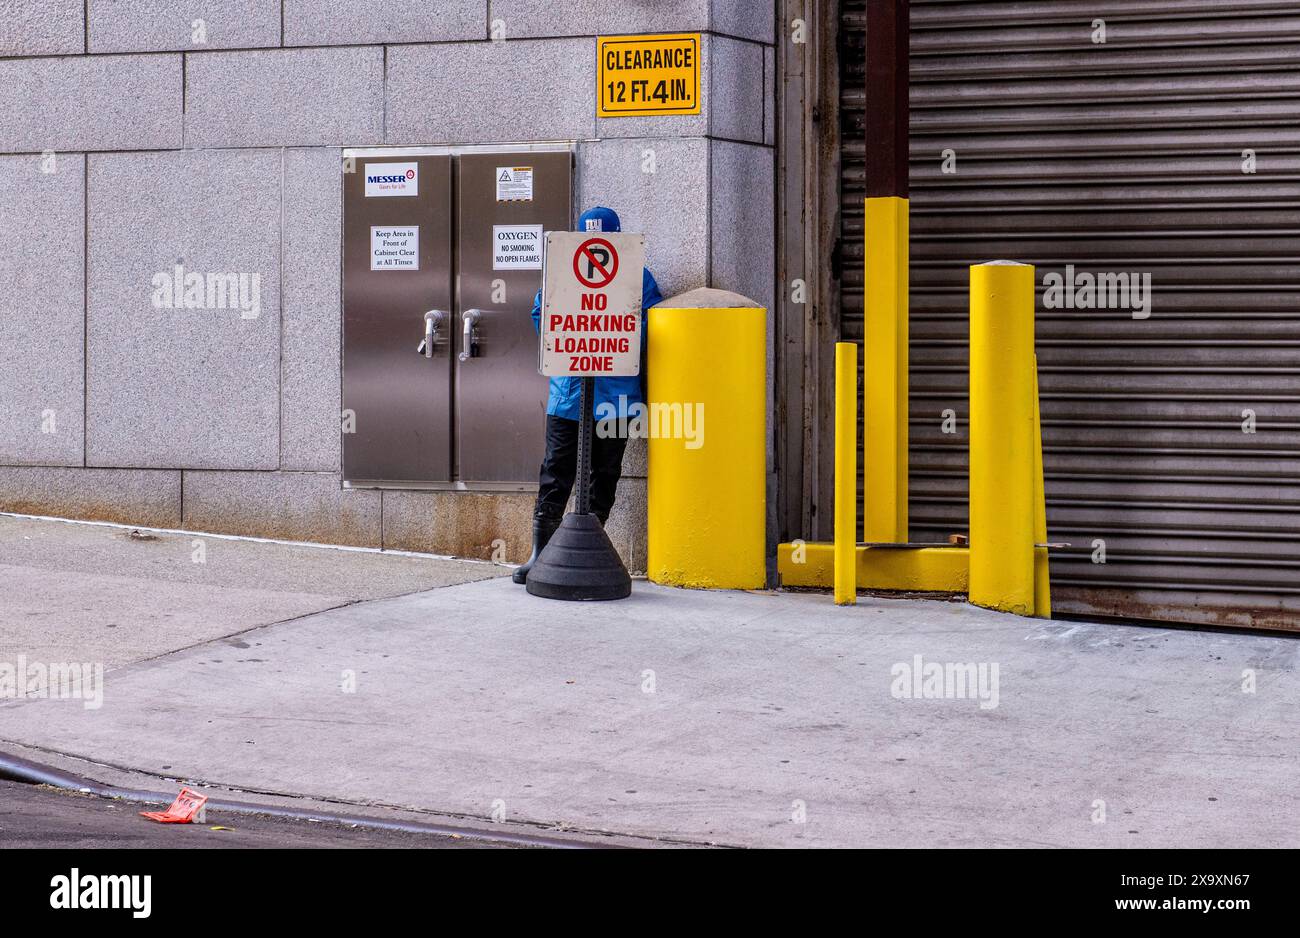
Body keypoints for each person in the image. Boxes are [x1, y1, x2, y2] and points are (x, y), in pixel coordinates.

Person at [513, 206, 663, 585]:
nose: (596, 251)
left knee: (604, 475)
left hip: (615, 397)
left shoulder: (638, 278)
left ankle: (590, 549)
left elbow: (646, 325)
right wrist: (574, 345)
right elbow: (541, 315)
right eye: (589, 242)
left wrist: (606, 345)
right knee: (555, 471)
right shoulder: (562, 273)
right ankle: (542, 554)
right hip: (569, 394)